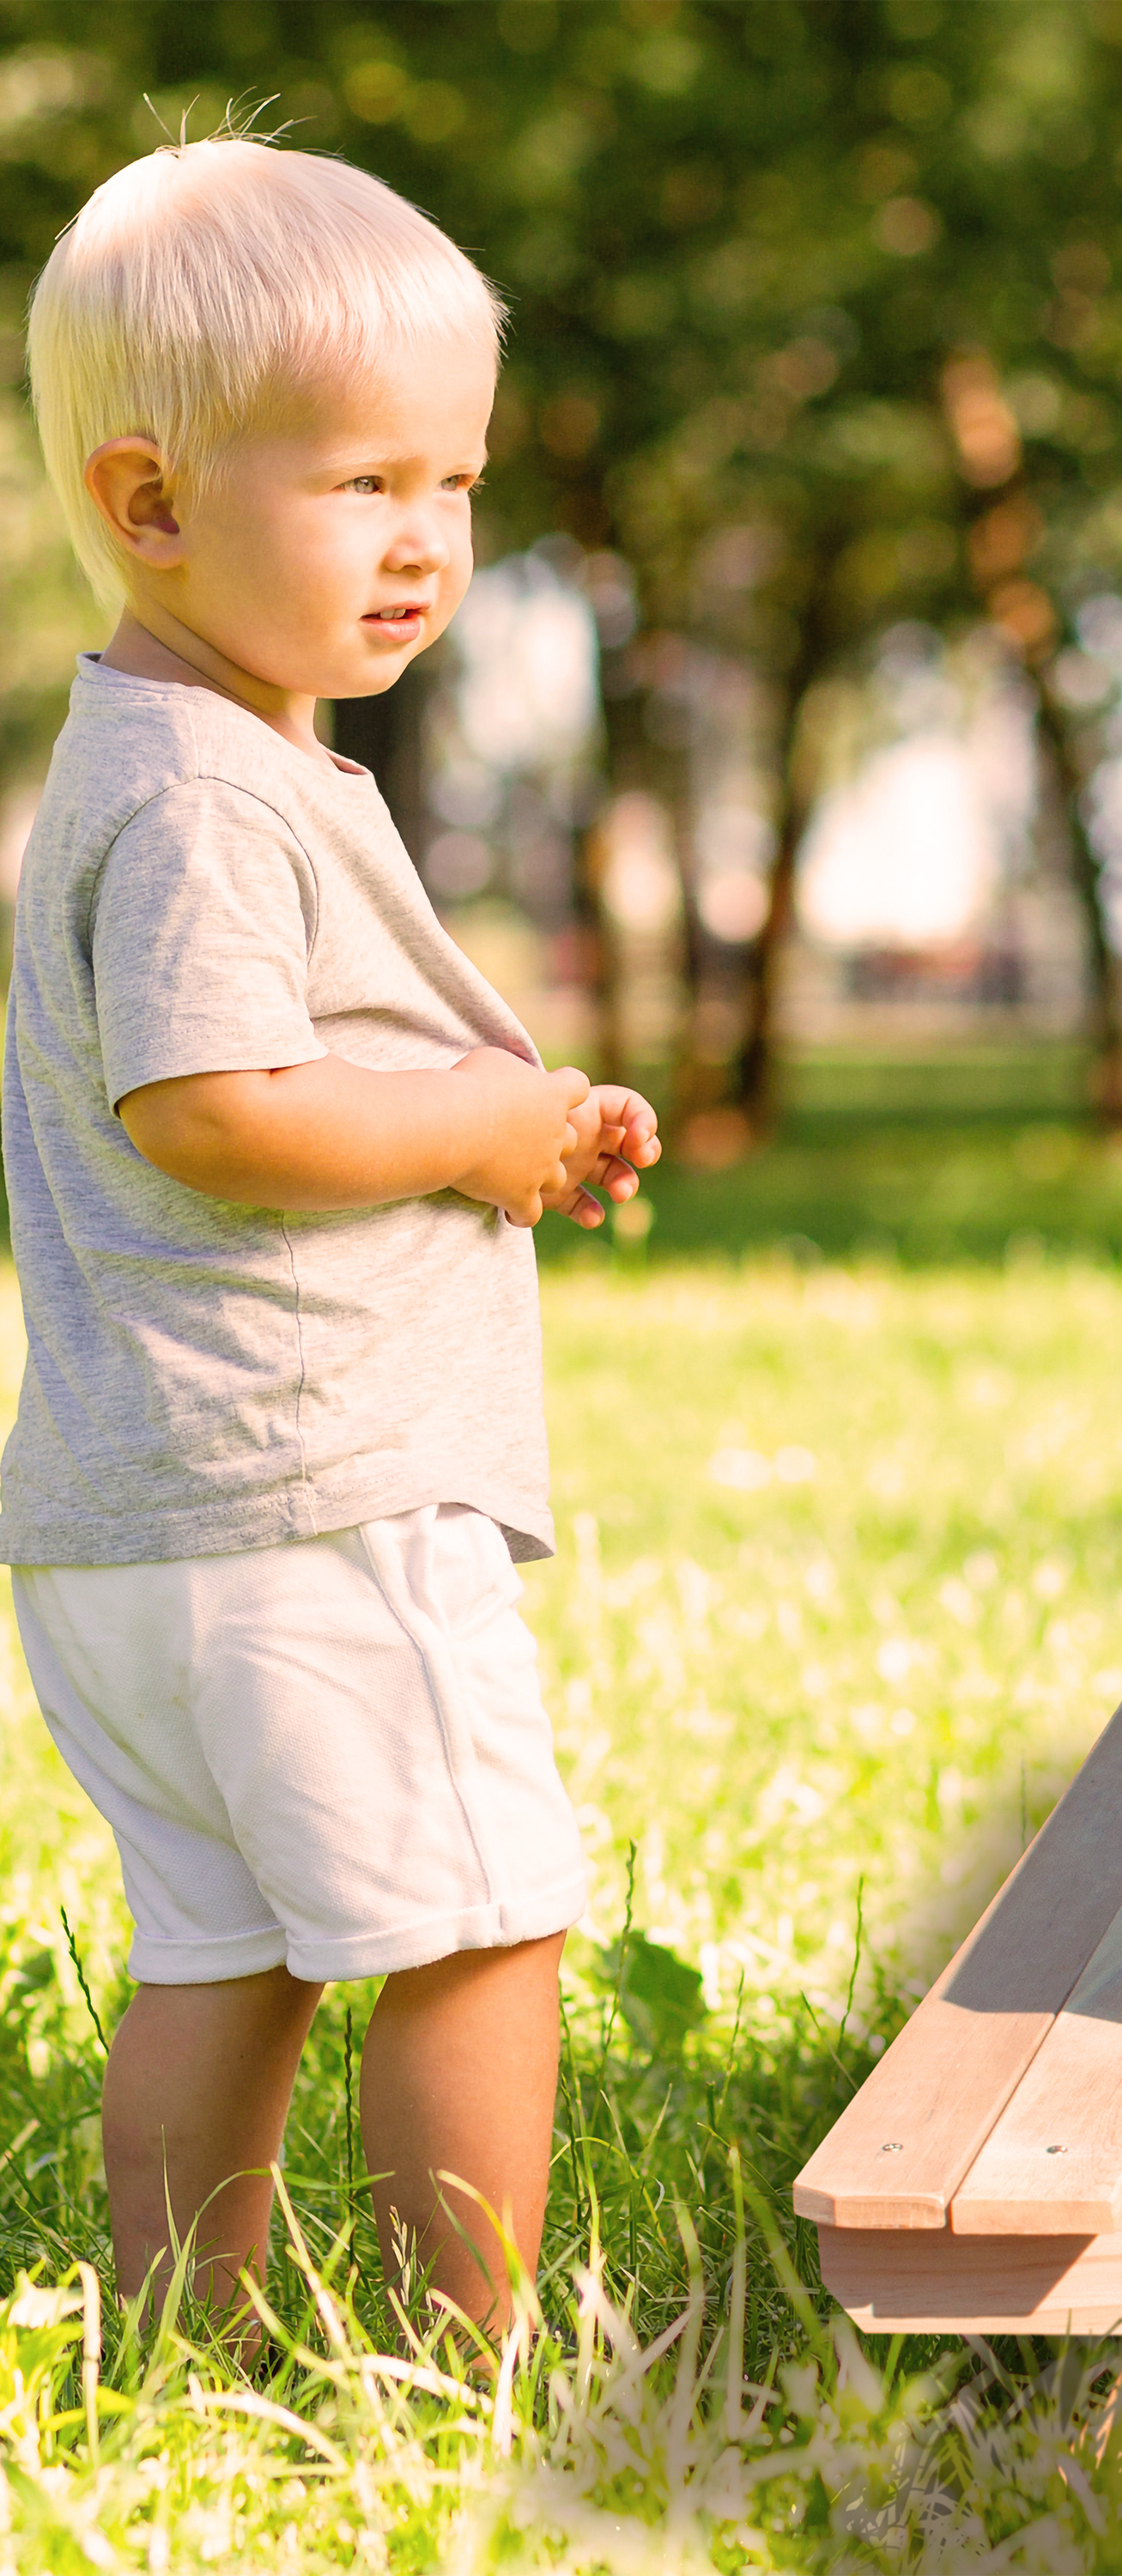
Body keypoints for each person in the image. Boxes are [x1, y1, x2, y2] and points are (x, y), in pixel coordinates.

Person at [10, 131, 658, 2345]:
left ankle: (188, 2346)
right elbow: (209, 1110)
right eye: (363, 483)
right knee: (482, 1923)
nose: (428, 543)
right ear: (152, 499)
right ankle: (466, 2364)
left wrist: (516, 1136)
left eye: (455, 486)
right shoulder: (204, 795)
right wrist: (474, 1115)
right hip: (308, 1492)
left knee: (228, 1942)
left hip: (139, 1516)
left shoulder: (167, 757)